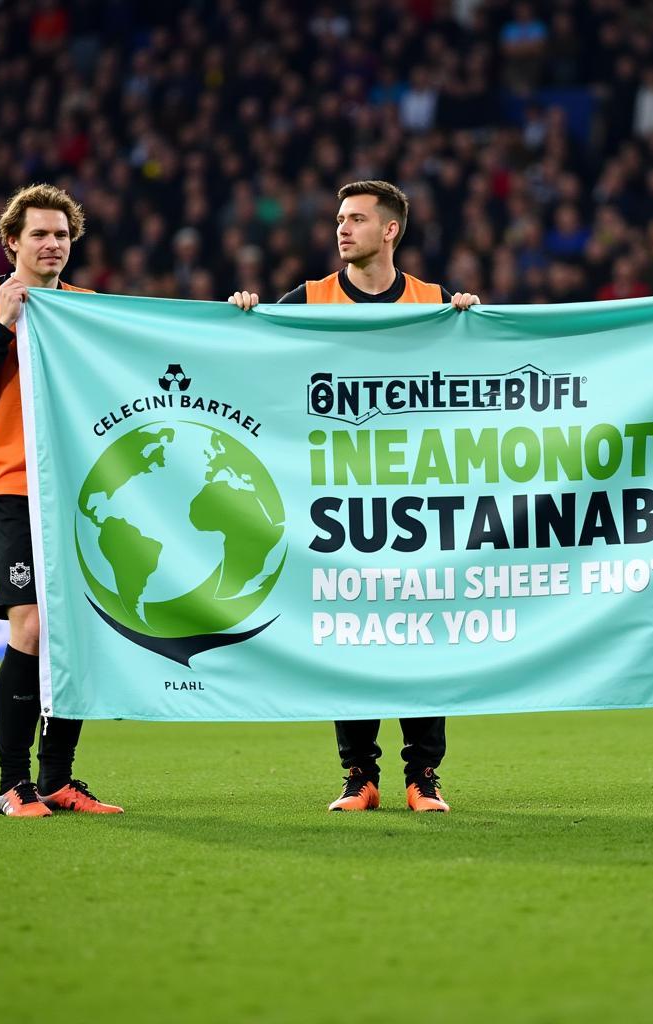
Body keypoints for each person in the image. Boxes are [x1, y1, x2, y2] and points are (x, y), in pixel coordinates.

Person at [230, 179, 479, 813]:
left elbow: (484, 379)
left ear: (390, 230)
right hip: (337, 501)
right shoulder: (309, 299)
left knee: (425, 633)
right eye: (340, 218)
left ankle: (423, 778)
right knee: (350, 633)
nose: (342, 229)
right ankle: (359, 777)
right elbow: (247, 356)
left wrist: (476, 324)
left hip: (418, 500)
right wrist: (243, 313)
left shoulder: (436, 302)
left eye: (357, 219)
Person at [0, 184, 123, 818]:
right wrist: (5, 326)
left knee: (73, 634)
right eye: (40, 234)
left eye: (62, 235)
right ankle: (12, 784)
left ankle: (57, 779)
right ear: (11, 241)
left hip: (80, 493)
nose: (52, 244)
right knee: (34, 626)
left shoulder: (87, 309)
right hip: (12, 487)